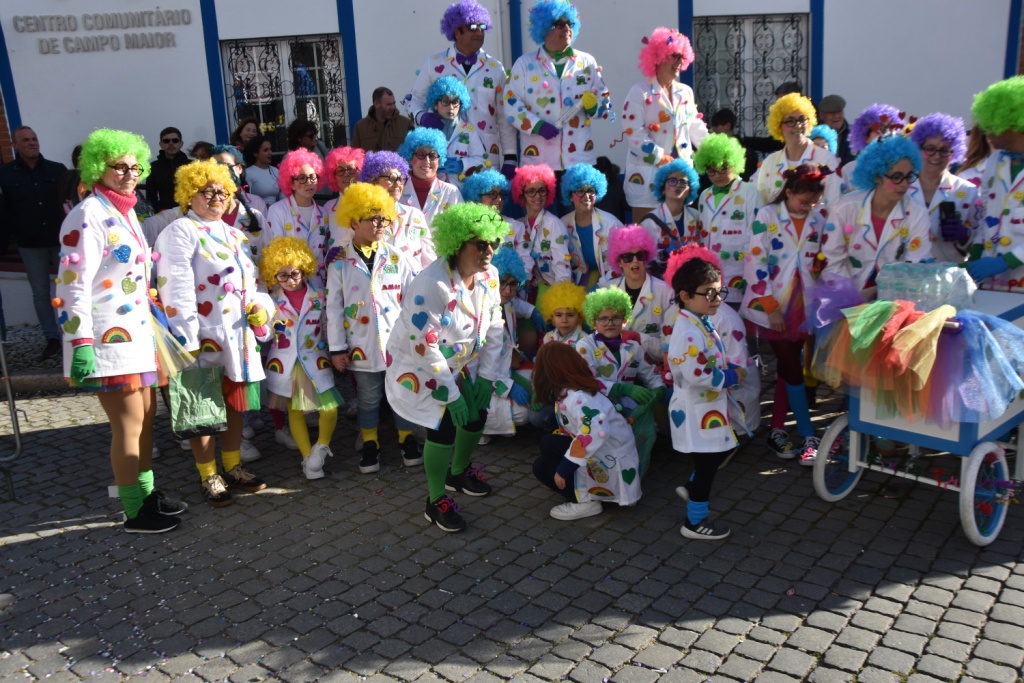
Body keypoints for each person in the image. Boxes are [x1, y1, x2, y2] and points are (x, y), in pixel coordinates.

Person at [55, 128, 185, 534]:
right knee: (128, 426)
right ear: (99, 168)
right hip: (107, 339)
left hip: (137, 335)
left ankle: (146, 494)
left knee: (145, 420)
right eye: (119, 167)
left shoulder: (126, 211)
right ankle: (134, 511)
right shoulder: (87, 214)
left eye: (135, 167)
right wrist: (80, 341)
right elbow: (72, 284)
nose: (129, 174)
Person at [155, 159, 274, 507]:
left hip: (237, 337)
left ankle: (233, 466)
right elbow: (175, 288)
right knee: (202, 408)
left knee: (234, 403)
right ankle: (209, 474)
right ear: (188, 194)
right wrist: (187, 339)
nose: (216, 198)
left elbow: (254, 282)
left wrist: (261, 306)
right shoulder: (179, 231)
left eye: (222, 192)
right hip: (201, 339)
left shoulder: (235, 234)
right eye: (207, 192)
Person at [384, 202, 507, 533]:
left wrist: (487, 377)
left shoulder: (490, 276)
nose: (489, 251)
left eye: (493, 242)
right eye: (480, 244)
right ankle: (436, 498)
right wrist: (451, 396)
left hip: (460, 362)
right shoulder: (431, 284)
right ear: (457, 244)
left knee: (477, 415)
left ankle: (458, 472)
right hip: (420, 364)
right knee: (444, 425)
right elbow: (425, 347)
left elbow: (495, 326)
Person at [327, 182, 420, 473]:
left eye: (384, 218)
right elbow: (333, 309)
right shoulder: (339, 264)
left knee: (401, 393)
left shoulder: (396, 257)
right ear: (354, 221)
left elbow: (412, 301)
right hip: (361, 346)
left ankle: (406, 438)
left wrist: (415, 339)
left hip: (398, 345)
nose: (381, 224)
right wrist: (337, 349)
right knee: (368, 398)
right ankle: (370, 442)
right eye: (373, 218)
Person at [741, 164, 830, 463]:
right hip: (774, 305)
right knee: (792, 368)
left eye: (814, 201)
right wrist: (770, 306)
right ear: (789, 192)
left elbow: (822, 260)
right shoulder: (767, 216)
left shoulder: (819, 219)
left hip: (805, 304)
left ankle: (777, 430)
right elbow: (755, 261)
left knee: (786, 368)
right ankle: (808, 433)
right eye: (804, 199)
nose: (809, 205)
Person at [664, 245, 746, 540]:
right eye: (708, 293)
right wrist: (731, 376)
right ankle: (695, 522)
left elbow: (706, 359)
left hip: (706, 408)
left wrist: (726, 367)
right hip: (697, 409)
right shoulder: (688, 331)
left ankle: (692, 487)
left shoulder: (698, 321)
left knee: (715, 456)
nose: (717, 299)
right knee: (709, 463)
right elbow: (697, 373)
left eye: (719, 291)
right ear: (686, 296)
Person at [531, 342, 642, 520]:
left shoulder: (579, 397)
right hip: (605, 452)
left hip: (607, 456)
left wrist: (567, 466)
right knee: (544, 457)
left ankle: (584, 501)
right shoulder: (572, 392)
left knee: (546, 453)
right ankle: (591, 492)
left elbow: (594, 433)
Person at [259, 236, 340, 480]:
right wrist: (258, 324)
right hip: (286, 363)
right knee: (295, 412)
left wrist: (337, 350)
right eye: (282, 275)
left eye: (294, 273)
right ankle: (307, 458)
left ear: (304, 270)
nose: (290, 280)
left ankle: (320, 448)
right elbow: (265, 336)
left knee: (330, 408)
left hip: (315, 359)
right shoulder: (271, 301)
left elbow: (327, 326)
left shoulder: (319, 296)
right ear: (273, 276)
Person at [409, 0, 517, 179]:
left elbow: (504, 115)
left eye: (482, 27)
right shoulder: (434, 64)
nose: (479, 32)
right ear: (456, 31)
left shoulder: (495, 68)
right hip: (444, 157)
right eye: (473, 27)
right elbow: (415, 100)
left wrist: (510, 157)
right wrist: (422, 117)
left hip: (485, 157)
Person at [504, 0, 612, 178]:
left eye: (570, 23)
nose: (566, 28)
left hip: (579, 159)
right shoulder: (524, 64)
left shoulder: (587, 62)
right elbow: (511, 105)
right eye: (559, 24)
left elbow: (605, 104)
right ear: (544, 27)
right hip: (538, 161)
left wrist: (594, 106)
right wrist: (537, 126)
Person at [822, 134, 933, 296]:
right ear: (877, 176)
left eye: (909, 176)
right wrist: (852, 297)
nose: (904, 184)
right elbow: (831, 261)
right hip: (845, 296)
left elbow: (917, 265)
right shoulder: (846, 207)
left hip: (897, 298)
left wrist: (880, 291)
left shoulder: (917, 213)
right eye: (896, 177)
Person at [576, 287, 664, 476]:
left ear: (624, 320)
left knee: (644, 434)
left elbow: (650, 374)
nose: (610, 323)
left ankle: (633, 475)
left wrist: (659, 389)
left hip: (627, 407)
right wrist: (624, 389)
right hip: (596, 406)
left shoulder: (633, 347)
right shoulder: (585, 346)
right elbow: (588, 380)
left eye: (616, 318)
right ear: (593, 322)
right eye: (603, 319)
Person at [621, 26, 707, 218]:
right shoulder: (639, 92)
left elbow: (695, 127)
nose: (679, 62)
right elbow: (633, 132)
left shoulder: (685, 92)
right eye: (674, 56)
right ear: (659, 57)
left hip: (680, 178)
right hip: (647, 178)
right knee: (645, 231)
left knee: (678, 229)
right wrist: (660, 156)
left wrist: (713, 151)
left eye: (682, 57)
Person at [0, 125, 68, 360]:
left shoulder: (57, 169)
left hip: (61, 242)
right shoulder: (5, 174)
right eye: (26, 140)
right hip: (30, 244)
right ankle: (52, 338)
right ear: (15, 145)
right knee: (40, 292)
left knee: (70, 289)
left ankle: (73, 335)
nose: (32, 143)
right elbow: (4, 210)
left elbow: (68, 202)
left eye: (34, 138)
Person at [965, 77, 1024, 291]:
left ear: (1011, 123)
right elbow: (986, 215)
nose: (986, 132)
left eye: (991, 125)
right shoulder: (995, 161)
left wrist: (1008, 261)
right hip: (992, 284)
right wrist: (976, 255)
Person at [692, 133, 761, 306]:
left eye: (723, 168)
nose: (717, 175)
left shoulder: (750, 192)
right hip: (709, 277)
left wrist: (750, 275)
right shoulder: (705, 195)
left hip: (738, 275)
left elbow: (756, 235)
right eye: (712, 170)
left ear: (734, 163)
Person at [907, 113, 979, 264]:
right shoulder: (901, 188)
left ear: (953, 153)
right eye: (930, 149)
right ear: (918, 149)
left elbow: (983, 240)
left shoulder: (969, 191)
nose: (937, 156)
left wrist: (965, 235)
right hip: (905, 272)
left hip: (948, 274)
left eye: (944, 150)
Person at [481, 247, 537, 441]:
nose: (507, 290)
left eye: (513, 284)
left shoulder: (507, 302)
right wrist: (507, 387)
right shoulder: (480, 313)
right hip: (483, 383)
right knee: (523, 414)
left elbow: (517, 305)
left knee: (536, 380)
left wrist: (533, 312)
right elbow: (476, 368)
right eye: (501, 282)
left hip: (505, 371)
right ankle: (477, 428)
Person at [598, 225, 675, 364]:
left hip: (654, 369)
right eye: (628, 257)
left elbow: (670, 348)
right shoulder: (608, 290)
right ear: (619, 261)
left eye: (640, 255)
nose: (635, 261)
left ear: (647, 258)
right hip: (618, 367)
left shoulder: (667, 292)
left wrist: (639, 338)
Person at [754, 94, 840, 210]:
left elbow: (835, 206)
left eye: (802, 119)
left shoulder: (826, 159)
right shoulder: (770, 163)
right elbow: (761, 204)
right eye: (790, 121)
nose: (798, 125)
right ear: (779, 126)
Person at [357, 151, 436, 268]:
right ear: (373, 181)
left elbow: (429, 259)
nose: (398, 184)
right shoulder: (363, 218)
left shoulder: (415, 214)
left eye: (401, 179)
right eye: (391, 178)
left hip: (415, 279)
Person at [265, 149, 329, 278]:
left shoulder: (323, 213)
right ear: (291, 184)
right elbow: (276, 249)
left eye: (313, 177)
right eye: (302, 178)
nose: (309, 182)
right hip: (290, 281)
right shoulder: (277, 210)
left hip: (319, 282)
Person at [637, 158, 702, 279]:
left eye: (683, 182)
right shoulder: (650, 221)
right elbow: (644, 259)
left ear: (689, 191)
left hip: (691, 279)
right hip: (661, 281)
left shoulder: (696, 216)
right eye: (672, 180)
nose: (678, 184)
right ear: (662, 189)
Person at [511, 164, 571, 294]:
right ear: (522, 195)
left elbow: (562, 265)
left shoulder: (554, 223)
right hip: (527, 294)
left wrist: (561, 297)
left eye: (542, 190)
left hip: (552, 292)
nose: (537, 196)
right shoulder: (519, 224)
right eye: (531, 191)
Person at [561, 163, 622, 288]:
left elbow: (621, 264)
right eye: (580, 191)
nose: (586, 195)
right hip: (580, 280)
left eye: (590, 190)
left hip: (612, 280)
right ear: (570, 196)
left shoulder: (611, 223)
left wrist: (598, 287)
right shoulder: (563, 224)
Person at [463, 169, 533, 277]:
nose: (499, 199)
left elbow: (526, 263)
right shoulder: (467, 227)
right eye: (492, 194)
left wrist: (514, 282)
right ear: (477, 197)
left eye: (501, 195)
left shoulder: (516, 227)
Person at [422, 76, 488, 190]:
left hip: (460, 190)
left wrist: (462, 165)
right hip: (433, 189)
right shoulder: (426, 131)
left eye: (455, 102)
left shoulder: (468, 130)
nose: (451, 107)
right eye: (445, 102)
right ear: (436, 105)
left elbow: (481, 160)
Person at [397, 128, 464, 225]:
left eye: (433, 156)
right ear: (410, 158)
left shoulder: (451, 192)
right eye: (421, 154)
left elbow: (461, 227)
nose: (427, 161)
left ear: (439, 161)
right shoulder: (397, 190)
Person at [839, 104, 904, 193]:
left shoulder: (905, 167)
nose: (885, 134)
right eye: (879, 129)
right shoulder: (849, 169)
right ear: (866, 137)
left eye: (890, 129)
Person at [708, 108, 775, 182]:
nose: (713, 129)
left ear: (727, 125)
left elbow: (747, 173)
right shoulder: (713, 146)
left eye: (716, 125)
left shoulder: (743, 146)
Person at [322, 146, 366, 257]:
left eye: (351, 169)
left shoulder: (371, 203)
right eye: (340, 171)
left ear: (360, 172)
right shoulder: (328, 208)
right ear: (334, 177)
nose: (346, 174)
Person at [351, 86, 414, 153]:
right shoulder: (361, 127)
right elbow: (355, 155)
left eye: (393, 103)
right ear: (376, 104)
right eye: (388, 104)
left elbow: (414, 151)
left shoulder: (406, 124)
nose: (392, 107)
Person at [144, 127, 190, 212]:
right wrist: (155, 213)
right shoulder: (154, 167)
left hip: (188, 213)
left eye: (175, 140)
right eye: (166, 141)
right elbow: (151, 196)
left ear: (181, 143)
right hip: (164, 214)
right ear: (161, 144)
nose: (171, 143)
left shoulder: (191, 165)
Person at [243, 135, 282, 206]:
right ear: (255, 153)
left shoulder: (275, 171)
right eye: (265, 150)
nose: (270, 152)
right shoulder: (248, 172)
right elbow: (247, 198)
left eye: (270, 149)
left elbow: (282, 196)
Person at [817, 94, 854, 166]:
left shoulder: (854, 135)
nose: (836, 116)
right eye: (831, 113)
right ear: (821, 115)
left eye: (839, 111)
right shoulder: (812, 136)